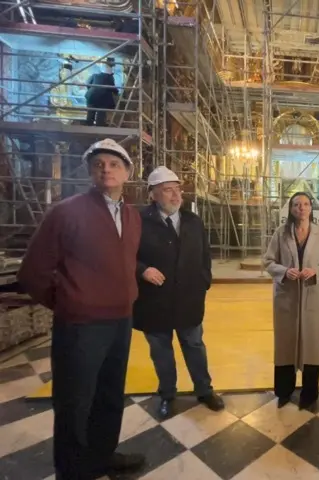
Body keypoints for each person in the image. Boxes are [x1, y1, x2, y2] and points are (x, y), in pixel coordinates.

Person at [17, 139, 144, 478]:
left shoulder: (131, 216)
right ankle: (72, 470)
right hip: (80, 325)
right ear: (89, 171)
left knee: (109, 395)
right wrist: (70, 302)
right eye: (98, 164)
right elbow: (32, 272)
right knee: (74, 402)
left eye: (114, 164)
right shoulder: (67, 212)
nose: (106, 169)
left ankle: (102, 456)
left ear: (128, 173)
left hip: (120, 320)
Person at [133, 166, 224, 418]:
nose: (175, 196)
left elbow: (205, 256)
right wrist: (142, 269)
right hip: (154, 301)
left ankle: (204, 391)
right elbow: (123, 255)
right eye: (167, 190)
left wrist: (204, 282)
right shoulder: (138, 222)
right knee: (161, 351)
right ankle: (167, 395)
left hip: (189, 299)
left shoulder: (193, 221)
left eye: (177, 190)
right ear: (153, 194)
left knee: (194, 346)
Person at [263, 192, 319, 409]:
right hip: (286, 297)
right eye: (296, 204)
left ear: (311, 208)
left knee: (311, 344)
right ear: (291, 209)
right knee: (285, 344)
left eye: (305, 204)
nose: (301, 208)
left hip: (311, 296)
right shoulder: (281, 233)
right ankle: (284, 392)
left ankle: (309, 394)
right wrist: (284, 271)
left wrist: (315, 272)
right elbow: (268, 261)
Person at [85, 57, 118, 127]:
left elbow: (87, 84)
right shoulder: (109, 77)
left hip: (91, 96)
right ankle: (98, 129)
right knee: (100, 116)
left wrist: (93, 90)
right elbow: (114, 89)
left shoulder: (94, 75)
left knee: (90, 115)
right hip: (102, 99)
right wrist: (117, 92)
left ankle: (88, 128)